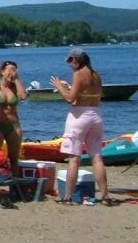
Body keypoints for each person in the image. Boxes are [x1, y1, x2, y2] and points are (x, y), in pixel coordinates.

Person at [50, 47, 110, 205]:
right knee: (96, 157)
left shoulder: (79, 74)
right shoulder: (96, 75)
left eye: (70, 61)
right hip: (96, 115)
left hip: (79, 117)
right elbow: (86, 96)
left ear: (76, 60)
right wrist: (69, 88)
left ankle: (68, 197)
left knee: (74, 158)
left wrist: (60, 86)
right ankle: (105, 196)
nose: (69, 64)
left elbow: (71, 99)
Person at [0, 60, 27, 175]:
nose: (12, 73)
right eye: (10, 70)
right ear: (2, 72)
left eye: (14, 70)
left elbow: (23, 97)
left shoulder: (16, 87)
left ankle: (13, 189)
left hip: (14, 126)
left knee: (13, 159)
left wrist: (17, 79)